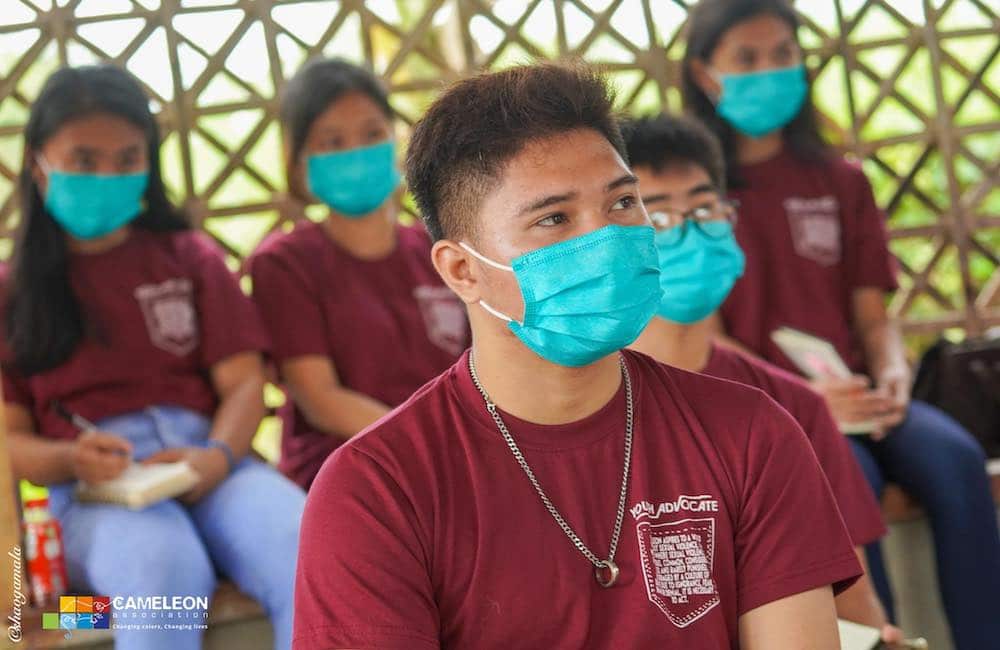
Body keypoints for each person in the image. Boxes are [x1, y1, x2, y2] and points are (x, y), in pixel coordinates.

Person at [294, 62, 861, 649]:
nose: (606, 239)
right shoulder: (376, 492)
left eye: (621, 204)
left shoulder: (750, 435)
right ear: (462, 270)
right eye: (554, 219)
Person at [682, 1, 1000, 647]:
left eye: (782, 54)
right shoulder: (697, 193)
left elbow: (873, 316)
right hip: (779, 407)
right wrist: (806, 399)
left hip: (866, 395)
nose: (768, 70)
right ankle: (881, 639)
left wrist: (891, 376)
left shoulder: (839, 179)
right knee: (845, 480)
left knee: (959, 459)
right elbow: (708, 335)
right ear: (705, 75)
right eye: (746, 58)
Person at [1, 65, 304, 650]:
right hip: (89, 498)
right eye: (84, 160)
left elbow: (244, 386)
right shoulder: (13, 294)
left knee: (308, 542)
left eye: (126, 159)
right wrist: (71, 458)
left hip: (213, 463)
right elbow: (12, 443)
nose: (106, 175)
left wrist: (214, 458)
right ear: (37, 163)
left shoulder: (188, 256)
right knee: (162, 579)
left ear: (149, 164)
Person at [624, 113, 903, 642]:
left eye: (704, 209)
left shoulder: (792, 407)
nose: (689, 232)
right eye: (657, 219)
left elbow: (852, 592)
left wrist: (880, 637)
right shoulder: (586, 401)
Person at [248, 58, 469, 490]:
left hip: (457, 458)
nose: (356, 153)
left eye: (372, 134)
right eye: (332, 142)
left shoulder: (438, 250)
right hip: (345, 470)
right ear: (298, 163)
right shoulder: (285, 263)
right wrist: (434, 448)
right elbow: (321, 400)